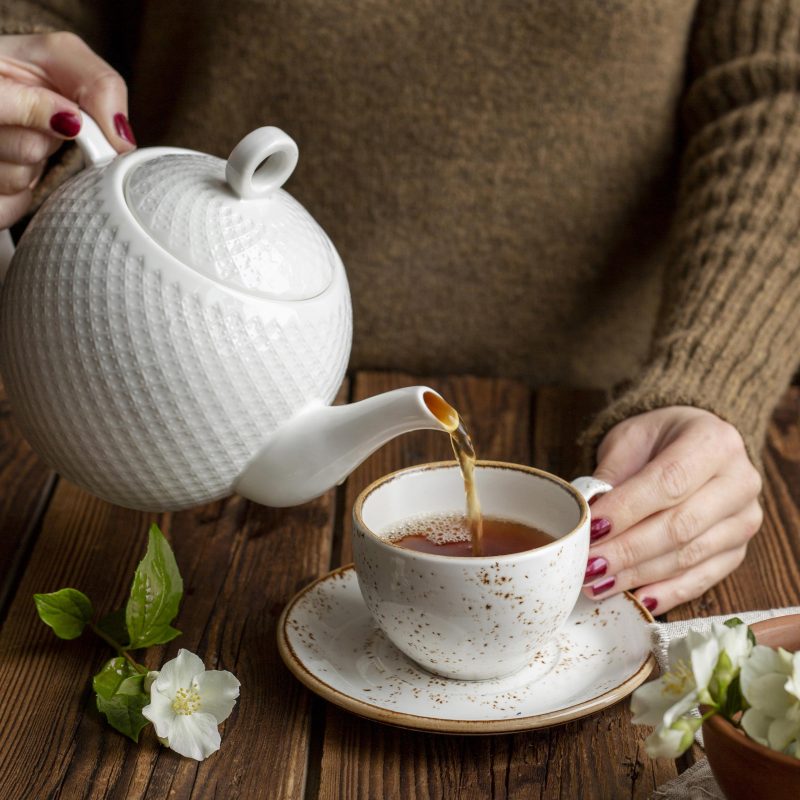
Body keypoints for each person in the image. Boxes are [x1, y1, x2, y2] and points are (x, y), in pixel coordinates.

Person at [0, 1, 794, 615]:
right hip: (133, 400)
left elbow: (777, 89)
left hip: (594, 418)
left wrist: (711, 373)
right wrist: (25, 82)